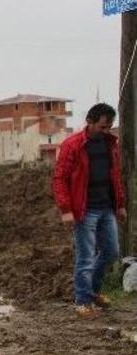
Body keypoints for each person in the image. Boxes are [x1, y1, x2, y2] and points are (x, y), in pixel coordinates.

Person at [52, 102, 127, 318]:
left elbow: (115, 177)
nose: (106, 131)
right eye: (102, 127)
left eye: (109, 127)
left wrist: (120, 204)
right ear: (90, 122)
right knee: (85, 257)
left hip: (107, 208)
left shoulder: (110, 144)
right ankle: (83, 302)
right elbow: (59, 179)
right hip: (84, 210)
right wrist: (66, 209)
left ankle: (91, 292)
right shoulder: (73, 145)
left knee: (112, 252)